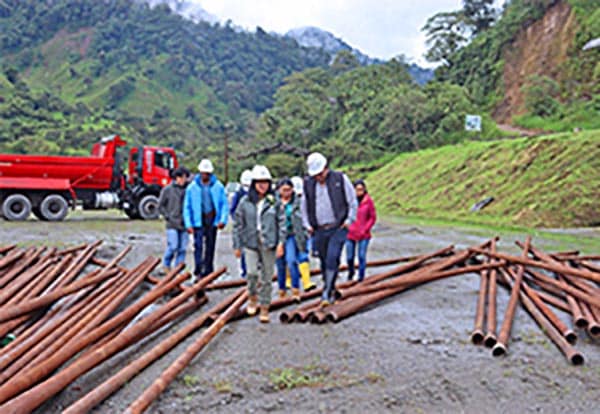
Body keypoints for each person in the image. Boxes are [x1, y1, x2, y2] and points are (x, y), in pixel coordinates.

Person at [301, 152, 357, 307]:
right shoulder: (308, 184)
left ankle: (326, 291)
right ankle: (330, 287)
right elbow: (304, 207)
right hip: (319, 229)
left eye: (320, 174)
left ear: (326, 168)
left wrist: (348, 220)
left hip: (338, 227)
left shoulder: (340, 179)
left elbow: (352, 201)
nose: (318, 177)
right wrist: (307, 225)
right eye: (315, 175)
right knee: (324, 260)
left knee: (333, 256)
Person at [233, 165, 278, 323]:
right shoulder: (245, 201)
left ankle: (264, 307)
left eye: (265, 182)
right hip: (250, 241)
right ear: (253, 183)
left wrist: (281, 243)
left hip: (268, 242)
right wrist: (237, 245)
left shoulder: (274, 201)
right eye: (259, 182)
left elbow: (282, 223)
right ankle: (252, 296)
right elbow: (238, 223)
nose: (262, 185)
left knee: (267, 277)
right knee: (251, 273)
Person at [183, 159, 228, 279]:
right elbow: (186, 206)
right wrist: (188, 224)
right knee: (198, 245)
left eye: (207, 174)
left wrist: (222, 220)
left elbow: (224, 204)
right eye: (203, 173)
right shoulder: (192, 188)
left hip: (211, 219)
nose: (205, 176)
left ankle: (208, 269)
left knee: (210, 245)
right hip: (198, 220)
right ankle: (198, 269)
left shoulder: (218, 187)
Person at [275, 178, 306, 301]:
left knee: (292, 261)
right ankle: (282, 290)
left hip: (292, 235)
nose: (287, 193)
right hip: (277, 236)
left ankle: (295, 289)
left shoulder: (298, 202)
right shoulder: (274, 203)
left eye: (289, 190)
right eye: (284, 190)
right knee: (280, 264)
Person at [158, 167, 190, 273]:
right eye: (184, 178)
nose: (185, 180)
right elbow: (160, 206)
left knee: (183, 248)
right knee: (173, 246)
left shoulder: (188, 190)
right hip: (172, 223)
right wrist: (168, 216)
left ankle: (178, 268)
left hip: (184, 223)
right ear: (178, 178)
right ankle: (166, 264)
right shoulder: (168, 190)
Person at [346, 179, 376, 282]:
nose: (359, 192)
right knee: (349, 257)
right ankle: (351, 272)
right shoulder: (349, 201)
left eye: (361, 190)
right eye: (357, 189)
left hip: (364, 234)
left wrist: (366, 228)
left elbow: (372, 217)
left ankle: (361, 278)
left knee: (361, 256)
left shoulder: (368, 201)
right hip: (350, 233)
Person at [290, 176, 316, 292]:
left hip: (304, 233)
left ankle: (306, 282)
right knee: (290, 258)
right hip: (291, 234)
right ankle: (289, 281)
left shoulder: (307, 200)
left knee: (303, 256)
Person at [230, 169, 252, 278]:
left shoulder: (255, 194)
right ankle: (245, 271)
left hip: (253, 226)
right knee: (244, 250)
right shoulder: (238, 195)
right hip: (243, 227)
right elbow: (233, 209)